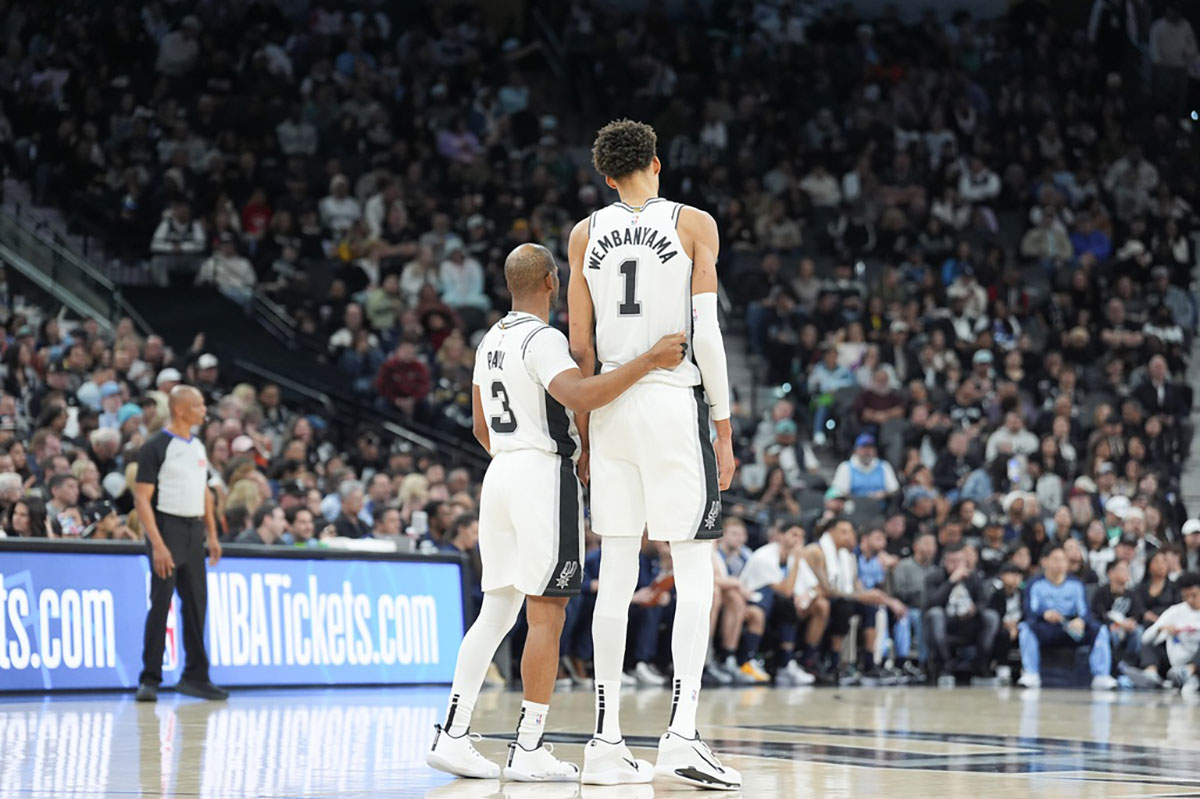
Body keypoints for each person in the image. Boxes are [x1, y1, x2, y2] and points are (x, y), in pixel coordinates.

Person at [426, 243, 687, 782]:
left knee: (495, 612)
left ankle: (451, 734)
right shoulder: (543, 339)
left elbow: (480, 425)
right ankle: (528, 747)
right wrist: (649, 361)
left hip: (498, 473)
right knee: (547, 614)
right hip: (542, 475)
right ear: (550, 282)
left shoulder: (490, 338)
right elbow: (581, 395)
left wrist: (514, 449)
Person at [567, 119, 739, 789]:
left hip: (609, 405)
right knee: (695, 566)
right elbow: (709, 333)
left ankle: (606, 742)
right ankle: (681, 736)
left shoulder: (583, 235)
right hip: (671, 397)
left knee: (615, 567)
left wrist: (582, 428)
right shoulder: (693, 223)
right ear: (657, 165)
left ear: (607, 176)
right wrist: (722, 426)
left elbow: (580, 349)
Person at [134, 385, 228, 702]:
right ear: (180, 409)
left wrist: (212, 534)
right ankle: (149, 679)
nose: (204, 410)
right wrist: (158, 545)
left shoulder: (198, 447)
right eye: (199, 405)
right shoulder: (156, 447)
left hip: (194, 530)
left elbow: (205, 493)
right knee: (161, 605)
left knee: (196, 605)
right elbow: (142, 499)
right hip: (167, 527)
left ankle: (196, 677)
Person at [1017, 544, 1116, 690]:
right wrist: (1044, 614)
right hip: (1046, 628)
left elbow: (1085, 611)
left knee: (1099, 629)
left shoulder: (1075, 584)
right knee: (1025, 628)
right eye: (1055, 559)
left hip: (1071, 628)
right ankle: (1031, 673)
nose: (1060, 563)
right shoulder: (1035, 584)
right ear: (1045, 561)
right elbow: (1029, 611)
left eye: (1063, 560)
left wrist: (1081, 620)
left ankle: (1101, 675)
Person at [737, 524, 823, 685]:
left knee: (817, 605)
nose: (798, 540)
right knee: (785, 603)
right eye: (794, 535)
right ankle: (748, 662)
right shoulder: (764, 556)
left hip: (776, 606)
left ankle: (792, 663)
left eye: (801, 536)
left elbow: (816, 588)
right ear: (781, 536)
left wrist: (807, 595)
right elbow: (786, 591)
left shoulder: (791, 556)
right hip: (752, 600)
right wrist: (797, 560)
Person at [923, 542, 1000, 679]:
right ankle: (945, 665)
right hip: (945, 623)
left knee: (991, 616)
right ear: (944, 561)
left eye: (959, 561)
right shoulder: (934, 577)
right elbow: (932, 603)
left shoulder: (973, 577)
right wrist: (951, 582)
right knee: (935, 614)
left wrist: (974, 609)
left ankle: (981, 664)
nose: (955, 565)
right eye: (951, 561)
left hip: (968, 623)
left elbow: (984, 602)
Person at [1127, 571, 1200, 693]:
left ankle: (1190, 673)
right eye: (1186, 597)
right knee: (1149, 642)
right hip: (1173, 661)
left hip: (1195, 661)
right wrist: (1161, 629)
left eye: (1194, 595)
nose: (1190, 600)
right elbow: (1145, 638)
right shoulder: (1175, 611)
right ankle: (1151, 674)